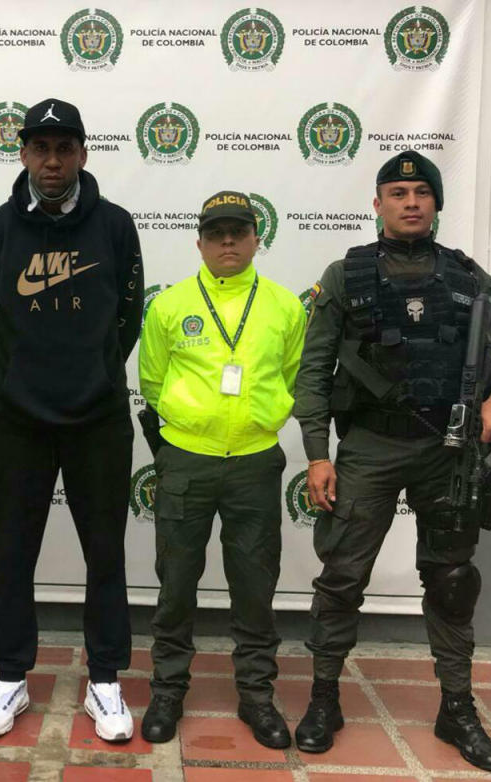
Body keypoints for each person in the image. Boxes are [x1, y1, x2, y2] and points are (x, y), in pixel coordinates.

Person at [293, 150, 491, 773]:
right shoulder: (345, 276)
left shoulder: (467, 277)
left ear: (436, 204)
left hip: (446, 450)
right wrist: (318, 455)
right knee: (342, 577)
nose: (410, 202)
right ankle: (325, 698)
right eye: (397, 192)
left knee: (452, 583)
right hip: (370, 448)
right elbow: (314, 371)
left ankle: (456, 707)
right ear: (377, 205)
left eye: (421, 192)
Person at [0, 98, 144, 741]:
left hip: (99, 417)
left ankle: (105, 680)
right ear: (22, 154)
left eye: (63, 148)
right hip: (18, 419)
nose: (52, 161)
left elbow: (126, 321)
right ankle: (11, 676)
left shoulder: (117, 227)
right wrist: (22, 378)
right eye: (39, 148)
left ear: (82, 154)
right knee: (11, 553)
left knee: (106, 553)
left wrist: (96, 375)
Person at [138, 190, 305, 747]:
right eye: (216, 233)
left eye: (238, 231)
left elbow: (292, 375)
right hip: (187, 459)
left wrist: (260, 420)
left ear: (258, 237)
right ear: (200, 242)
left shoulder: (284, 306)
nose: (228, 242)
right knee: (176, 581)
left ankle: (256, 696)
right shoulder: (169, 305)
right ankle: (167, 690)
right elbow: (154, 384)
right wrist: (182, 437)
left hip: (255, 462)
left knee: (255, 584)